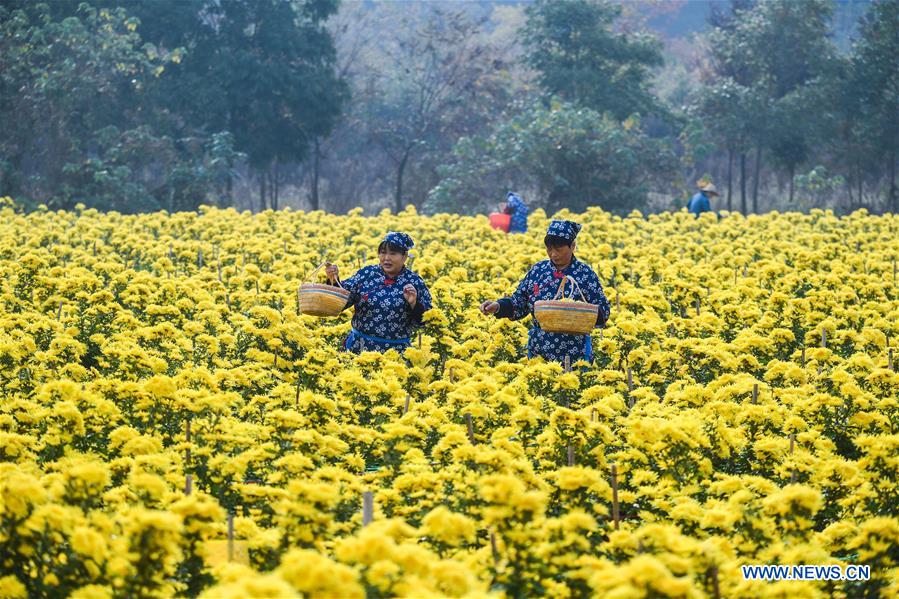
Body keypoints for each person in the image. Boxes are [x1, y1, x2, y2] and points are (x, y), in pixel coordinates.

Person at [479, 220, 611, 364]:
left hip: (574, 352)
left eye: (558, 249)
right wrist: (498, 306)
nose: (553, 254)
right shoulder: (538, 270)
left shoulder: (585, 274)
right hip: (539, 351)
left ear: (572, 246)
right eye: (549, 249)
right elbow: (519, 302)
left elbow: (603, 311)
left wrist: (580, 312)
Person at [325, 232, 432, 353]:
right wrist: (333, 279)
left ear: (404, 256)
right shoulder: (367, 274)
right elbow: (340, 301)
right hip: (359, 349)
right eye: (383, 252)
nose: (386, 258)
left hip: (395, 355)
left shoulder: (414, 282)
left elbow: (426, 321)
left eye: (393, 253)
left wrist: (414, 303)